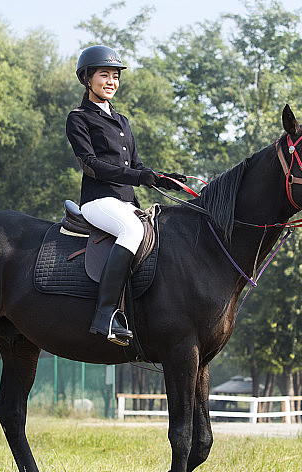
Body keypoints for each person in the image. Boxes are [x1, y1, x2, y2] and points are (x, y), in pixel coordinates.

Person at [66, 45, 185, 346]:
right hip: (98, 200)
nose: (111, 81)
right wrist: (140, 176)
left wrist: (163, 178)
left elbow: (137, 166)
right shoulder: (79, 118)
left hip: (127, 202)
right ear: (87, 79)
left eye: (115, 76)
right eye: (104, 75)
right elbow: (92, 165)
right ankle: (104, 315)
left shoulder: (123, 122)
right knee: (132, 230)